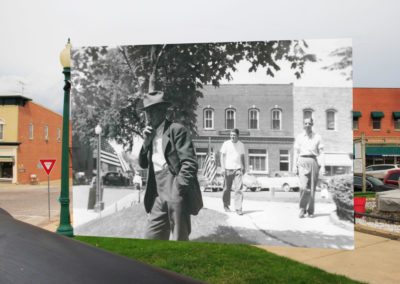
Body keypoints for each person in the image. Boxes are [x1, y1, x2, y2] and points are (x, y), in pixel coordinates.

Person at [139, 90, 203, 241]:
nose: (149, 116)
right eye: (147, 112)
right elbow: (142, 164)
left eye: (152, 111)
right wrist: (146, 143)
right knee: (150, 239)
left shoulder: (176, 130)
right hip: (157, 195)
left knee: (179, 241)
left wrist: (178, 189)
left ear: (162, 111)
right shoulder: (149, 134)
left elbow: (190, 163)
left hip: (175, 190)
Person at [293, 117, 325, 218]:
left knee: (312, 189)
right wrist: (294, 166)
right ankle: (302, 209)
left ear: (312, 124)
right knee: (303, 187)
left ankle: (310, 211)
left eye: (309, 123)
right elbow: (296, 152)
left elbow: (322, 153)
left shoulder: (318, 137)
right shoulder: (299, 137)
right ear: (303, 125)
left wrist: (323, 166)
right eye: (305, 123)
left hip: (313, 161)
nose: (307, 125)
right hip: (302, 161)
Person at [220, 128, 246, 215]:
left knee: (238, 189)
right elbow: (222, 156)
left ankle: (238, 208)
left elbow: (242, 157)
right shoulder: (226, 144)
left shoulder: (241, 145)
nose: (232, 137)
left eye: (234, 135)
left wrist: (243, 166)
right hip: (227, 169)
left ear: (238, 136)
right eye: (231, 135)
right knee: (226, 189)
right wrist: (223, 168)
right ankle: (226, 205)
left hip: (237, 169)